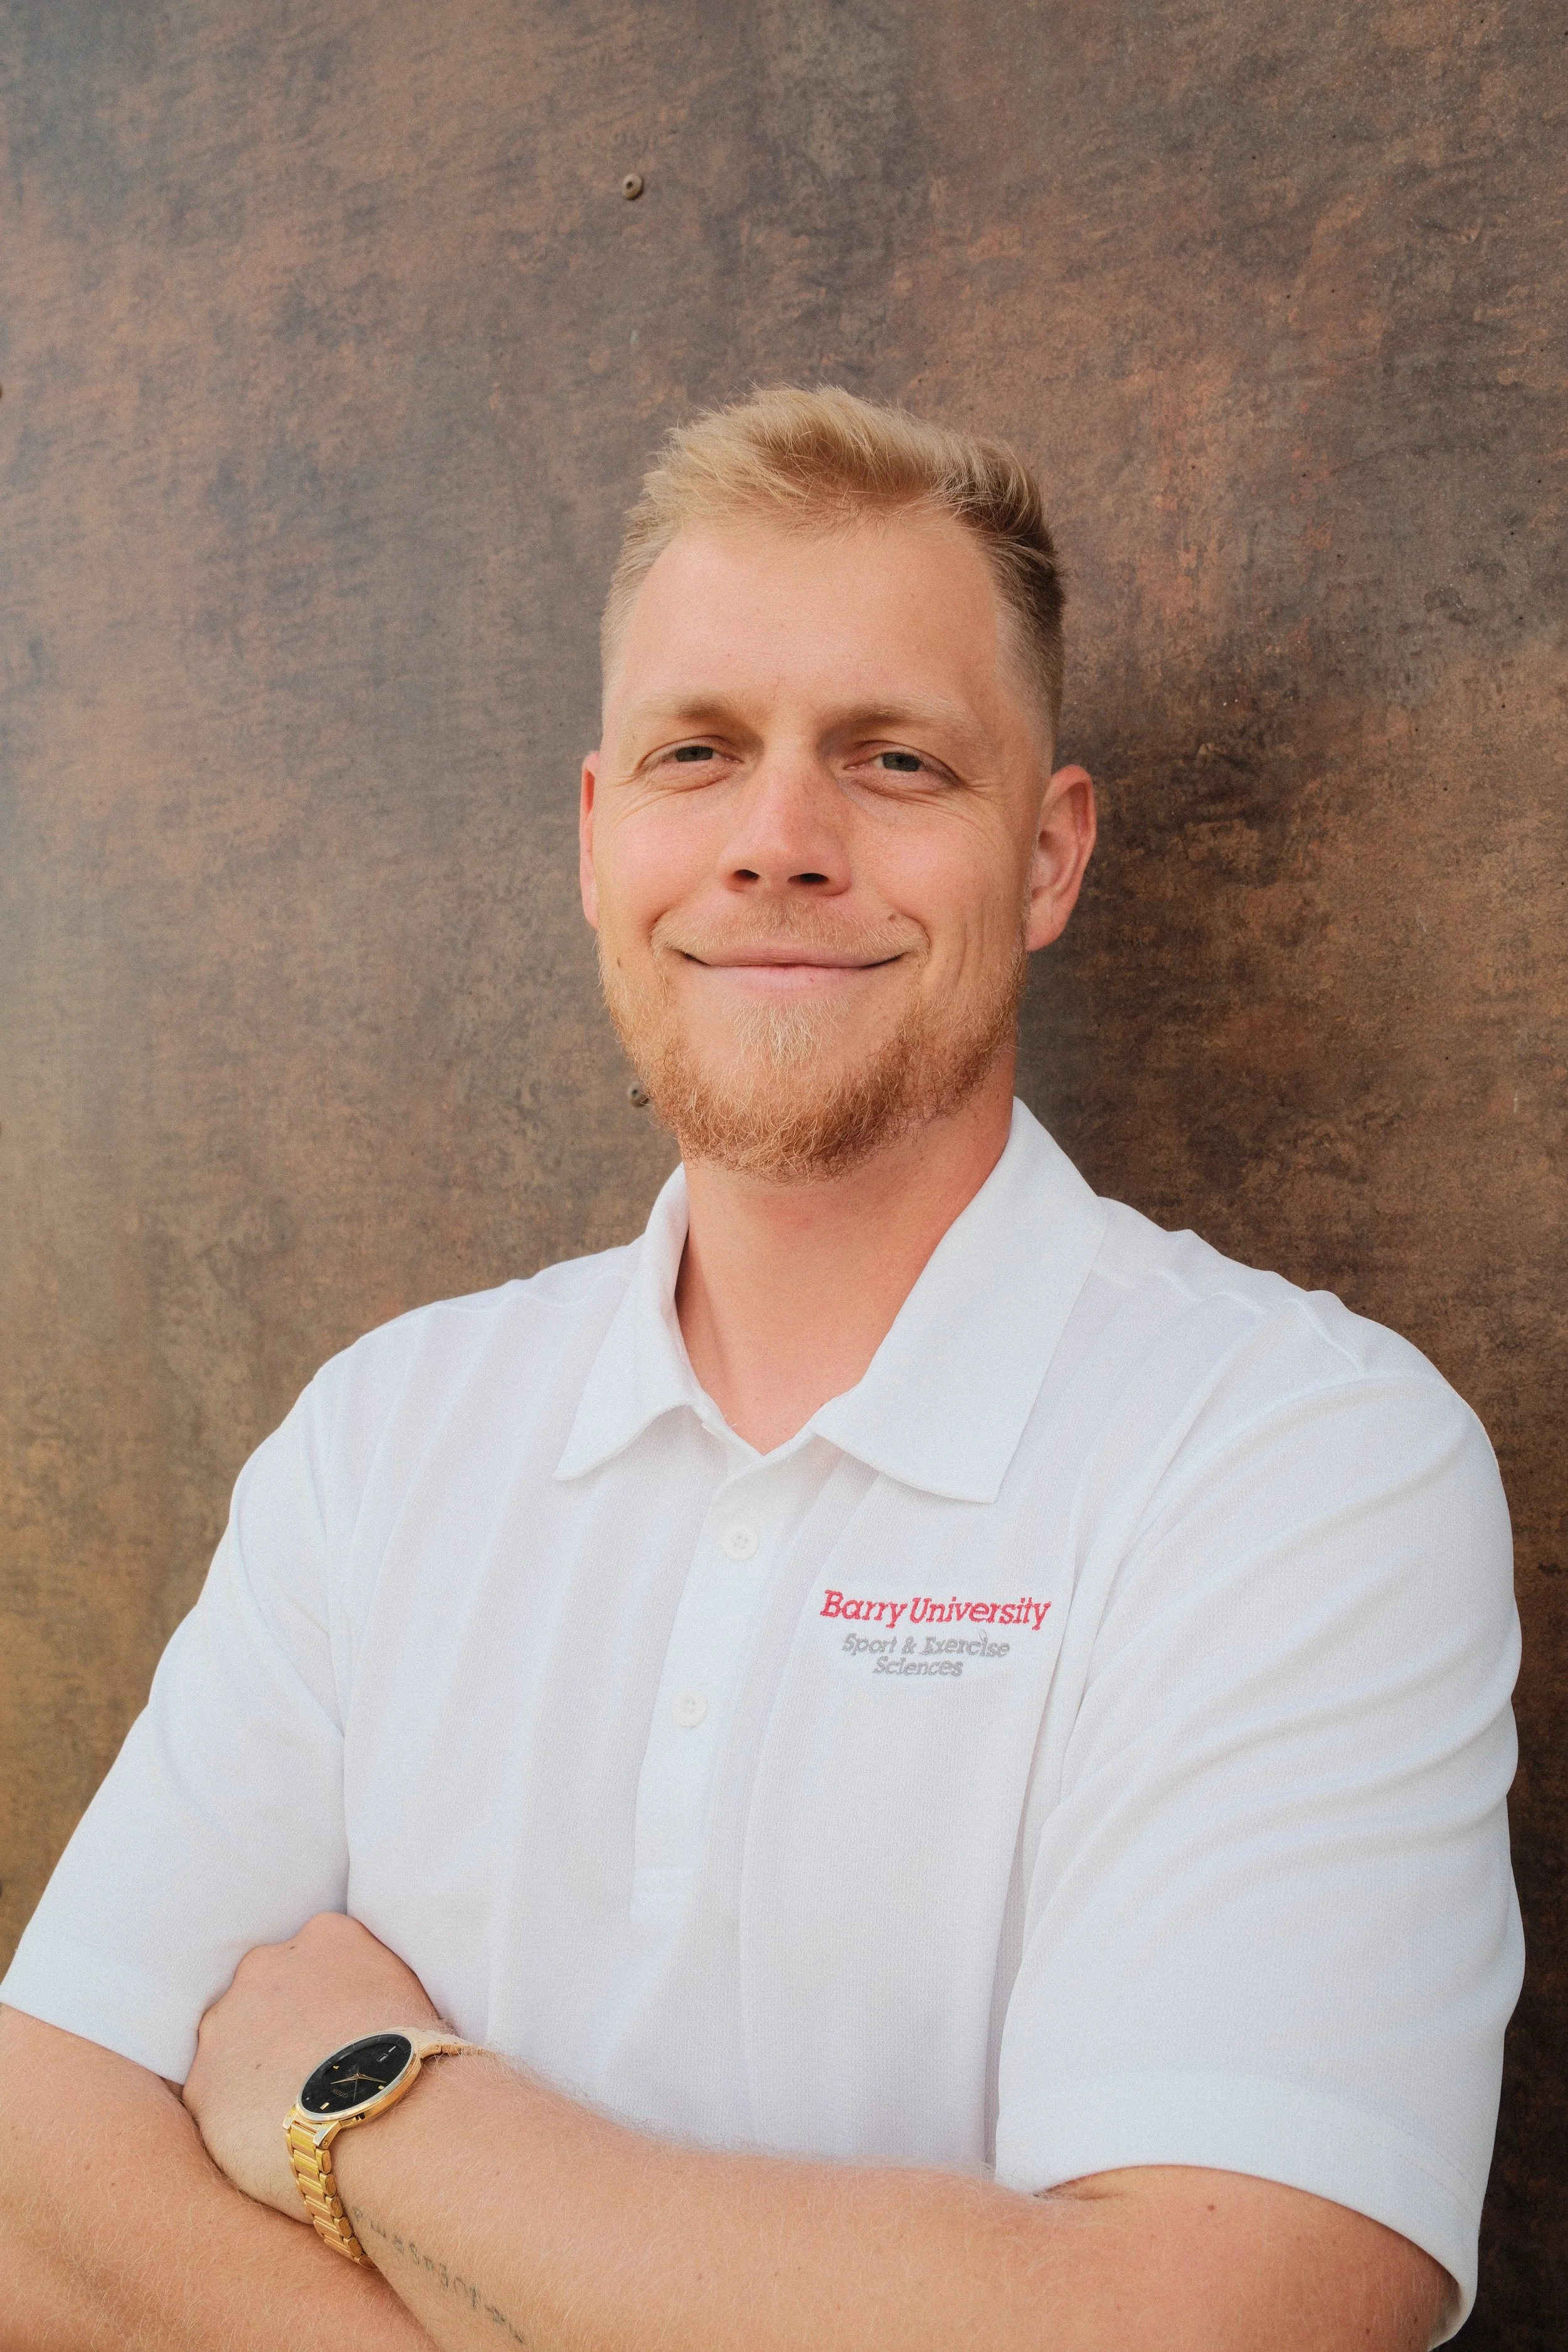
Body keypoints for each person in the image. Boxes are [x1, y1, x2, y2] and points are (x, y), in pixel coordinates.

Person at [0, 388, 1520, 2351]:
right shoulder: (383, 1438)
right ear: (596, 832)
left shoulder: (1302, 1461)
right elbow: (35, 2180)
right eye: (696, 752)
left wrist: (371, 2103)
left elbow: (1201, 2316)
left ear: (1046, 858)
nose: (777, 843)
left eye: (892, 759)